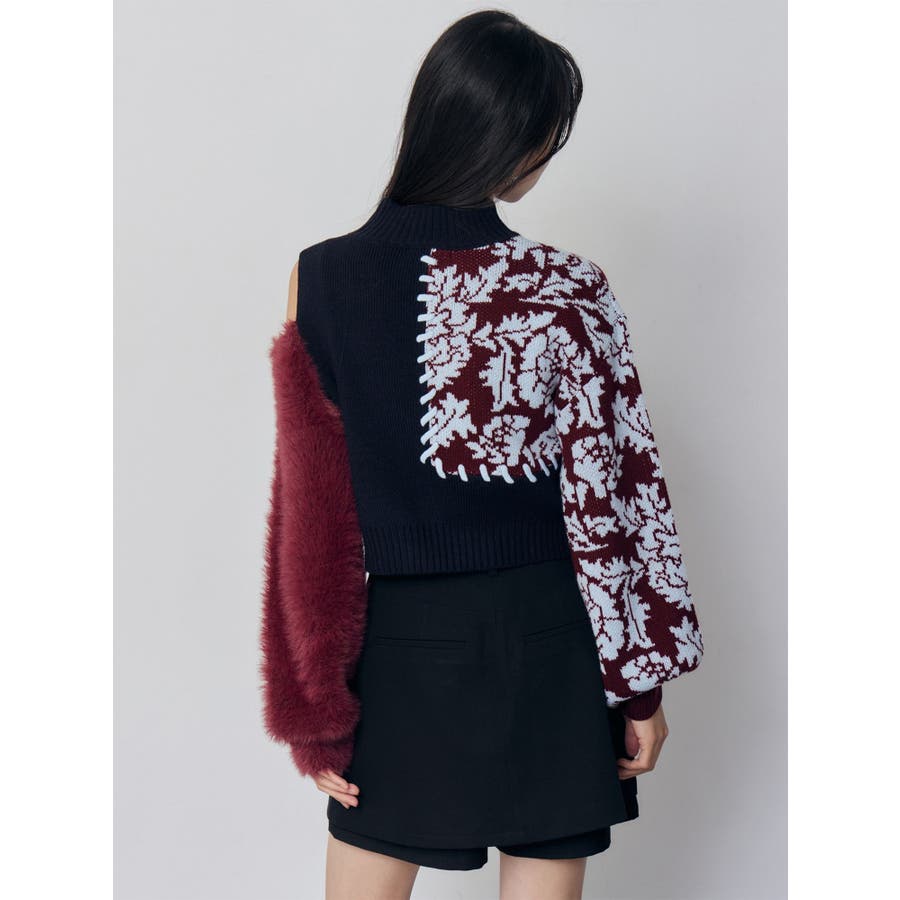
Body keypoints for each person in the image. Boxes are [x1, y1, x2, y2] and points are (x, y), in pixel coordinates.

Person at [260, 10, 704, 900]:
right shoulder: (567, 287)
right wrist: (641, 690)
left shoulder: (322, 277)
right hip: (554, 643)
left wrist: (315, 712)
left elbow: (312, 512)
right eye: (547, 138)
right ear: (513, 140)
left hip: (403, 651)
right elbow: (615, 502)